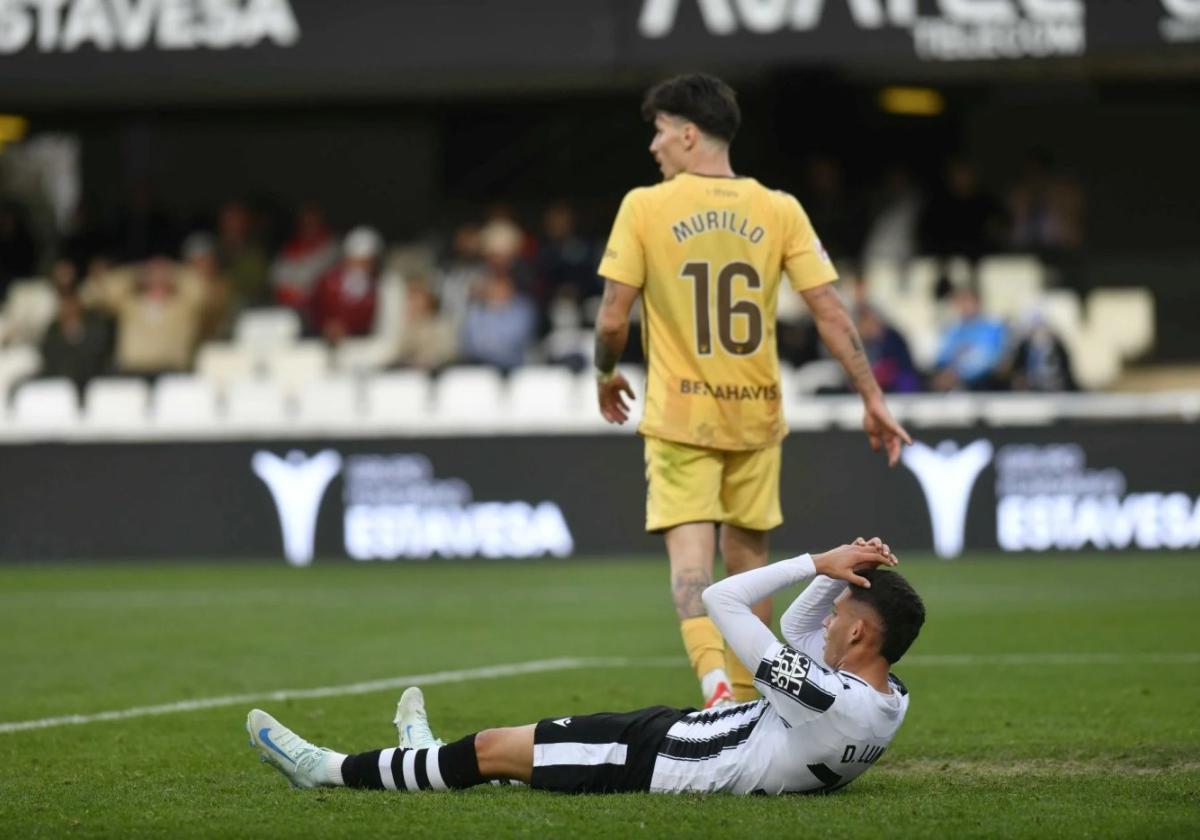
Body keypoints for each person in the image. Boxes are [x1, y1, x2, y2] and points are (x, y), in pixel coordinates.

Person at [593, 74, 911, 707]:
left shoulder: (645, 206)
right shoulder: (779, 208)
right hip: (755, 416)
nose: (654, 147)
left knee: (690, 565)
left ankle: (716, 687)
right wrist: (872, 397)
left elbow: (610, 319)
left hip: (681, 415)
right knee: (751, 562)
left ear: (687, 132)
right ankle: (753, 698)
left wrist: (605, 373)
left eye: (659, 132)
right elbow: (830, 311)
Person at [248, 537, 925, 796]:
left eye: (841, 613)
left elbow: (721, 598)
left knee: (489, 750)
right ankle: (424, 758)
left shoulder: (825, 694)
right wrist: (842, 570)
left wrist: (815, 563)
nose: (827, 619)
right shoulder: (883, 697)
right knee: (517, 756)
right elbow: (800, 627)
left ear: (862, 634)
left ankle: (329, 769)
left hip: (669, 760)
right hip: (687, 739)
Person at [931, 287, 1008, 392]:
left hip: (984, 385)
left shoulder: (992, 328)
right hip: (953, 385)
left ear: (978, 303)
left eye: (967, 301)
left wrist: (960, 373)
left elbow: (991, 359)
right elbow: (943, 357)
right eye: (960, 302)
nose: (964, 306)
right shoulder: (954, 330)